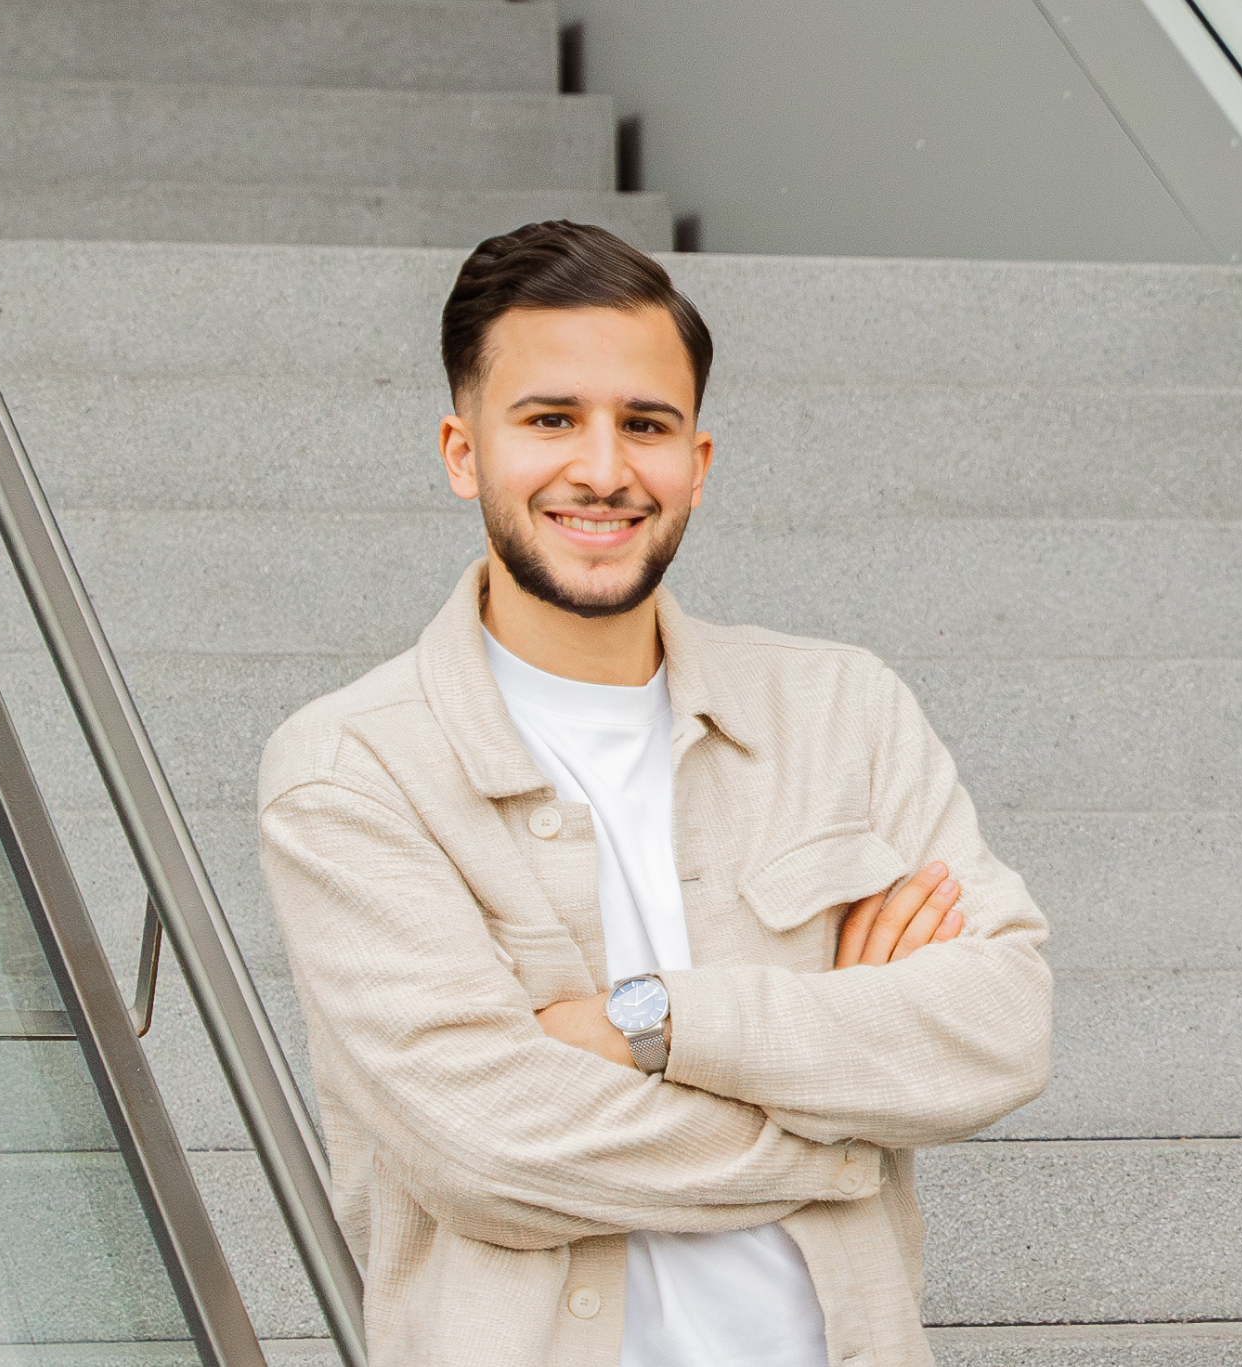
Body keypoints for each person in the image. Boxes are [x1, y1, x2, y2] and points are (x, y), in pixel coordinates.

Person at [258, 220, 1052, 1367]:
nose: (601, 468)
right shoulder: (350, 769)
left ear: (699, 460)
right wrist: (838, 1122)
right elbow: (488, 1145)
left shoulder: (841, 708)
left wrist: (650, 1021)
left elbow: (997, 1027)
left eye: (645, 424)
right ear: (461, 452)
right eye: (547, 420)